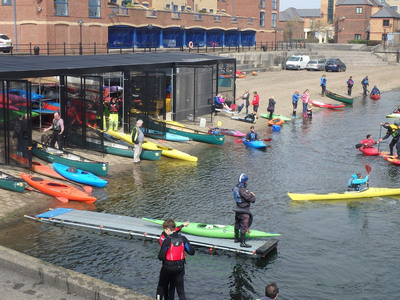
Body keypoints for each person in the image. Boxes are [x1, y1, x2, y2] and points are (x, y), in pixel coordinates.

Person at [156, 218, 195, 300]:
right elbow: (192, 252)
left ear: (167, 229)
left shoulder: (166, 240)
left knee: (161, 287)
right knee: (180, 291)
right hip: (179, 268)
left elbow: (161, 257)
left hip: (167, 267)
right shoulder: (183, 238)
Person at [233, 173, 256, 248]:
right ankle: (242, 243)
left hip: (237, 209)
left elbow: (240, 194)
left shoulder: (235, 187)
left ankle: (236, 238)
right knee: (244, 225)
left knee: (237, 223)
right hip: (244, 210)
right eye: (246, 181)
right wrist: (252, 194)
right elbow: (252, 200)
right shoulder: (243, 189)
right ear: (244, 181)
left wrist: (248, 193)